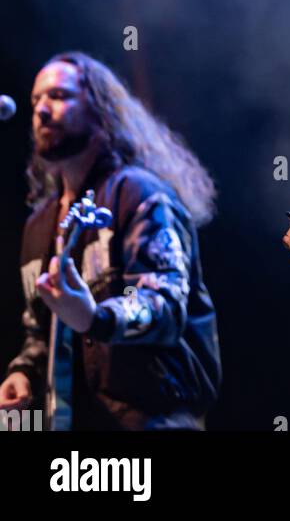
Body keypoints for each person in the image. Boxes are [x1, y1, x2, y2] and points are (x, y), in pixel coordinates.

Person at [0, 51, 221, 430]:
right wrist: (22, 372)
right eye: (36, 100)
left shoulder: (139, 194)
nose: (41, 110)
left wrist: (95, 317)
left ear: (100, 109)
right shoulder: (38, 226)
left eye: (58, 96)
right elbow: (41, 329)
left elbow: (164, 305)